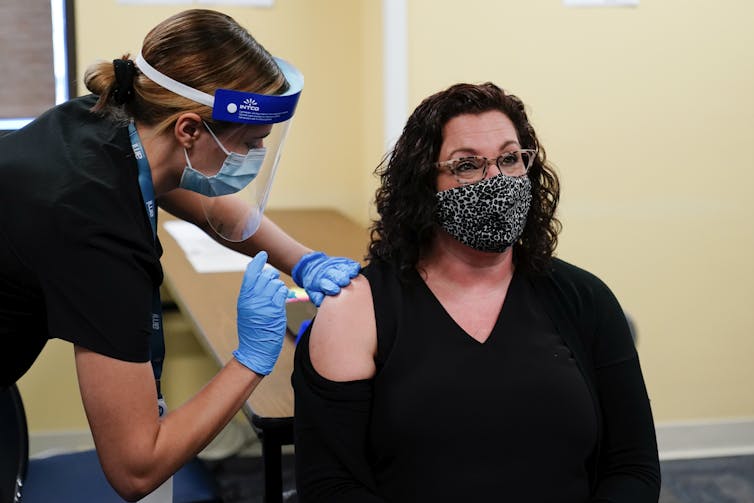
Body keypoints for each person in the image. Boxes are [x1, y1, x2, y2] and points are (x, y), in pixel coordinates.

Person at [0, 9, 359, 501]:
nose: (253, 156)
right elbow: (136, 468)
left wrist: (303, 260)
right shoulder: (96, 229)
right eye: (250, 143)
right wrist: (251, 360)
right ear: (189, 130)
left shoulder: (112, 120)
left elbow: (212, 205)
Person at [292, 82, 661, 502]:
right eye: (467, 165)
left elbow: (633, 466)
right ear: (423, 182)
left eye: (509, 159)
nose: (497, 180)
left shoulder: (584, 298)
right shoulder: (360, 308)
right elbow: (330, 486)